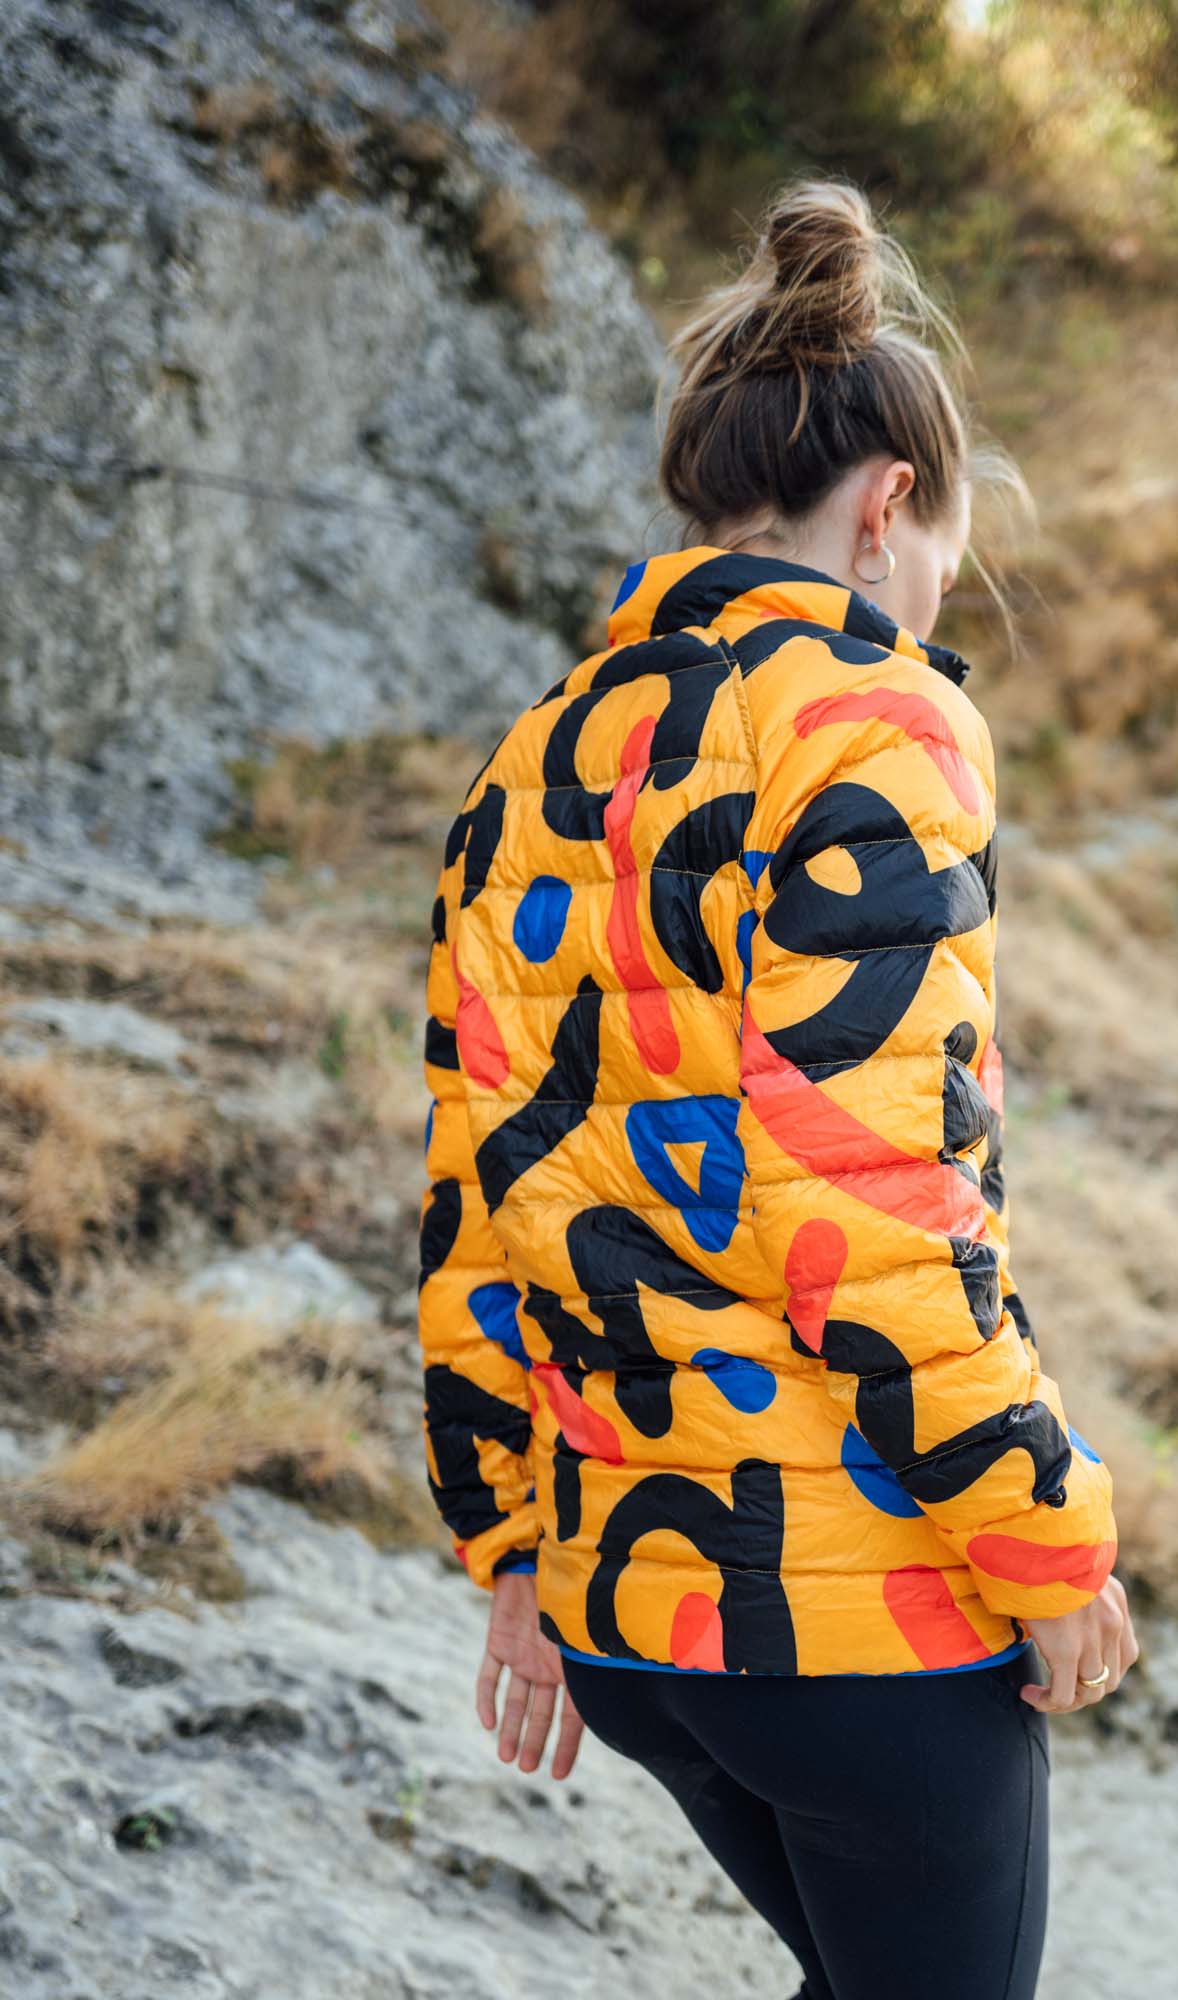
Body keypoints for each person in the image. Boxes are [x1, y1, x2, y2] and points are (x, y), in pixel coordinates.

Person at [415, 174, 1138, 2000]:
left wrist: (513, 1547)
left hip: (628, 1615)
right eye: (942, 547)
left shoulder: (535, 751)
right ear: (886, 507)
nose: (937, 593)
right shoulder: (867, 716)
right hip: (842, 1612)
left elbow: (481, 1182)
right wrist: (1048, 1543)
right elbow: (872, 1207)